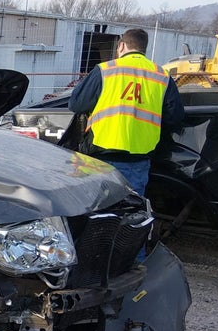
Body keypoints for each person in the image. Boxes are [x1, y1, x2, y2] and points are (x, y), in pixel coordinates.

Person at [69, 28, 184, 201]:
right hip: (138, 159)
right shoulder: (162, 76)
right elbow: (175, 117)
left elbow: (76, 104)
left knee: (96, 207)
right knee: (131, 208)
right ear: (143, 48)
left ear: (122, 46)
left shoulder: (105, 70)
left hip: (101, 154)